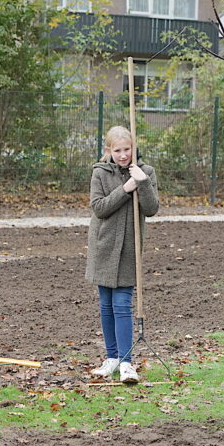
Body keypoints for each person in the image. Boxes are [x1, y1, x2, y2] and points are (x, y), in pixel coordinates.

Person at [86, 125, 159, 385]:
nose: (123, 155)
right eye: (117, 150)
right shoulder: (100, 173)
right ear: (109, 150)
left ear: (134, 147)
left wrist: (142, 182)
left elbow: (151, 209)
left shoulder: (145, 171)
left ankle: (127, 363)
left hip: (129, 248)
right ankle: (112, 358)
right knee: (106, 305)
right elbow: (99, 208)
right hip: (103, 245)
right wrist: (126, 188)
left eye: (127, 149)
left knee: (122, 305)